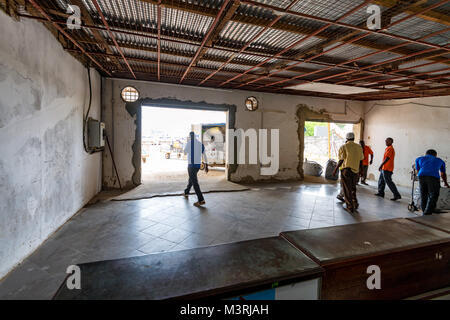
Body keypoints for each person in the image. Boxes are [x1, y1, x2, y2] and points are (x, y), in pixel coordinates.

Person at [333, 132, 364, 213]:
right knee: (353, 188)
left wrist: (335, 170)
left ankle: (350, 207)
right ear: (353, 138)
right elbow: (361, 160)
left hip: (346, 171)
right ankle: (355, 203)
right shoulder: (359, 147)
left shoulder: (344, 146)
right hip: (356, 171)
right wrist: (361, 170)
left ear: (346, 138)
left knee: (347, 190)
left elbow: (341, 160)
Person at [415, 149, 449, 215]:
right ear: (435, 155)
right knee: (433, 195)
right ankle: (428, 212)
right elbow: (443, 174)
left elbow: (418, 170)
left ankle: (425, 210)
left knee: (423, 194)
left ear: (426, 154)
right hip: (433, 177)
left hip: (421, 176)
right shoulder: (439, 160)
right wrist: (445, 182)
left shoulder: (419, 159)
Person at [183, 131, 208, 207]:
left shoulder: (189, 143)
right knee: (191, 179)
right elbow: (204, 155)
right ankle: (186, 192)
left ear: (190, 137)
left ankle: (201, 199)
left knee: (194, 182)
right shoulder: (200, 144)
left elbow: (184, 153)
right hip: (197, 166)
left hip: (191, 166)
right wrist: (207, 165)